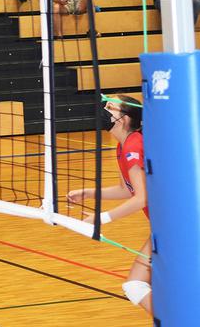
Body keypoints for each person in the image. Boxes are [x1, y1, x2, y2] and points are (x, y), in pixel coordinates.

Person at [68, 95, 151, 315]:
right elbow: (127, 189)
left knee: (136, 285)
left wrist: (101, 218)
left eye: (110, 108)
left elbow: (141, 198)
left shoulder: (134, 144)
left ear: (123, 119)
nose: (103, 110)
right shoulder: (122, 146)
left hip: (176, 226)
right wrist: (89, 193)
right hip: (166, 227)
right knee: (137, 286)